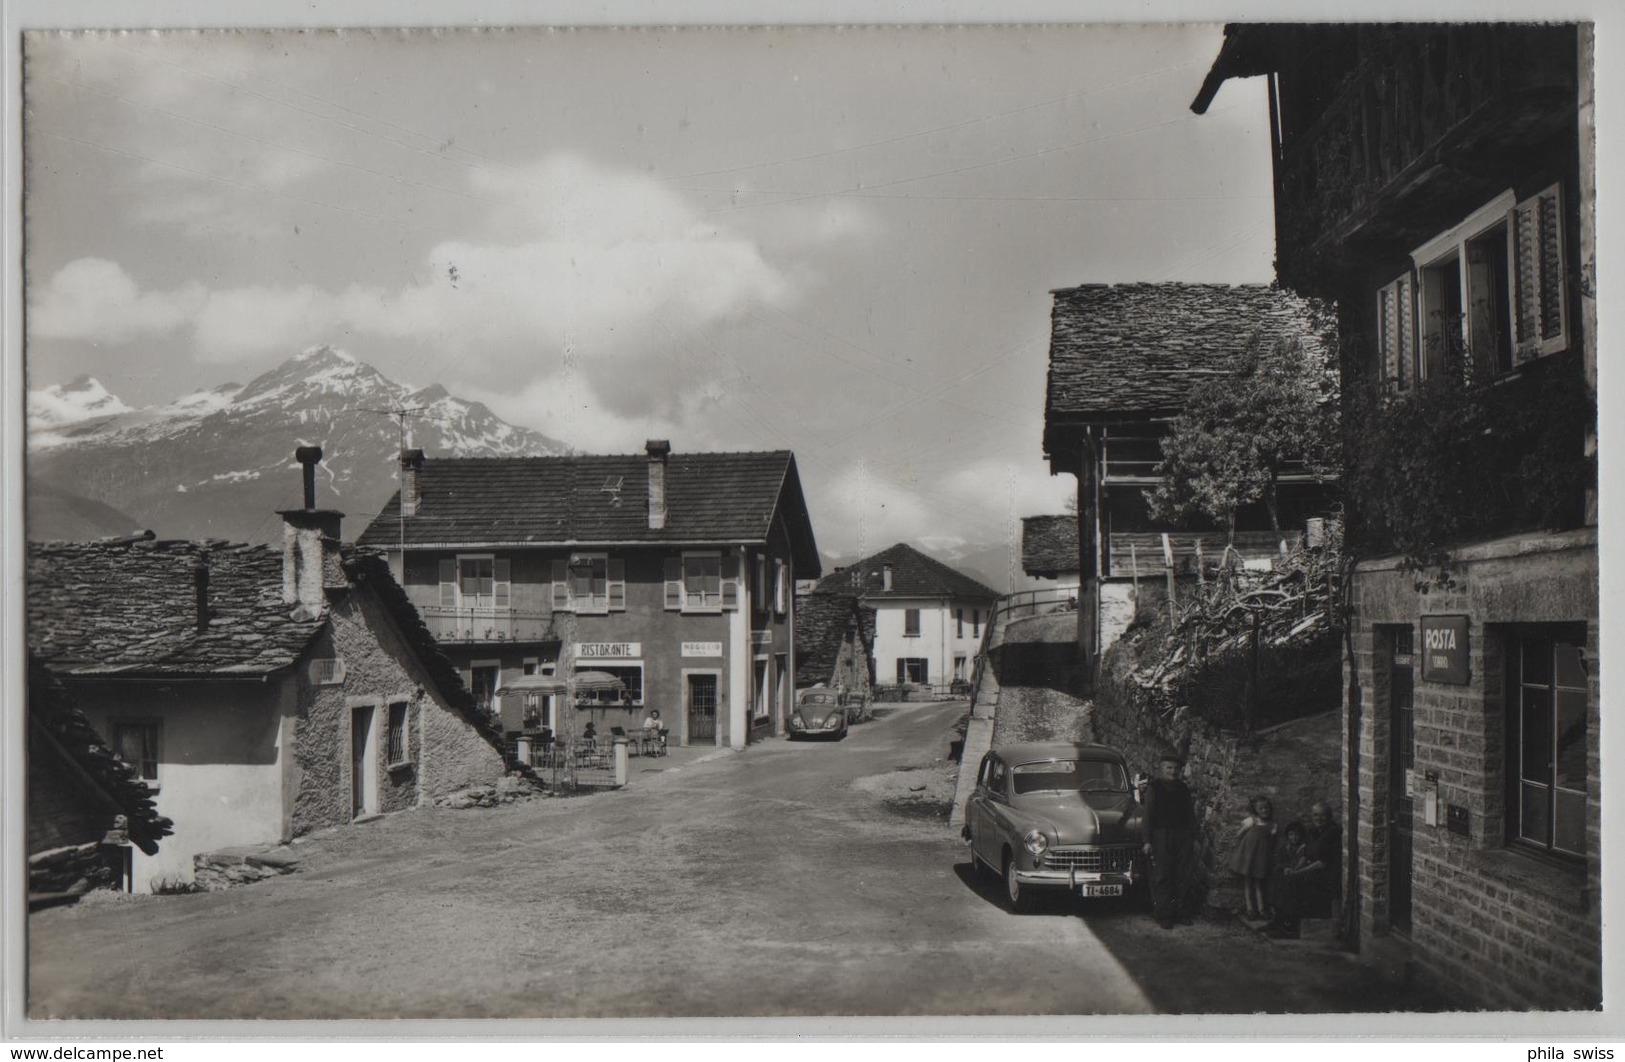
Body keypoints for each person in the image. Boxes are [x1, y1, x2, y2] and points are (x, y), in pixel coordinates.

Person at [1267, 802, 1341, 939]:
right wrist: (1294, 869)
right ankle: (1278, 921)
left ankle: (1290, 928)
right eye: (1315, 815)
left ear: (1329, 816)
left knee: (1293, 881)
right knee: (1282, 876)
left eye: (1323, 815)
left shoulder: (1333, 832)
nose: (1319, 818)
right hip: (1312, 870)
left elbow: (1321, 863)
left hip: (1326, 875)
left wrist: (1298, 873)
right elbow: (1306, 855)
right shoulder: (1314, 831)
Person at [1142, 749, 1197, 930]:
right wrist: (1147, 840)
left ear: (1180, 770)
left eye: (1175, 768)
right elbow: (1148, 815)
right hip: (1160, 836)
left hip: (1182, 836)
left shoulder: (1182, 788)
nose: (1172, 771)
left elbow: (1190, 814)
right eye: (1168, 767)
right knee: (1162, 874)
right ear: (1161, 768)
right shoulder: (1154, 788)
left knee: (1183, 874)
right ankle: (1164, 915)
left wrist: (1193, 837)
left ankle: (1181, 912)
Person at [1228, 795, 1276, 921]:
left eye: (1266, 808)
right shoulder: (1252, 821)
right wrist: (1237, 841)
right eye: (1261, 809)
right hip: (1249, 856)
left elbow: (1271, 843)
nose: (1264, 811)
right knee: (1248, 883)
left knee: (1259, 883)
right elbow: (1240, 833)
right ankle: (1250, 909)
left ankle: (1262, 910)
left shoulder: (1272, 826)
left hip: (1261, 858)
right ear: (1256, 810)